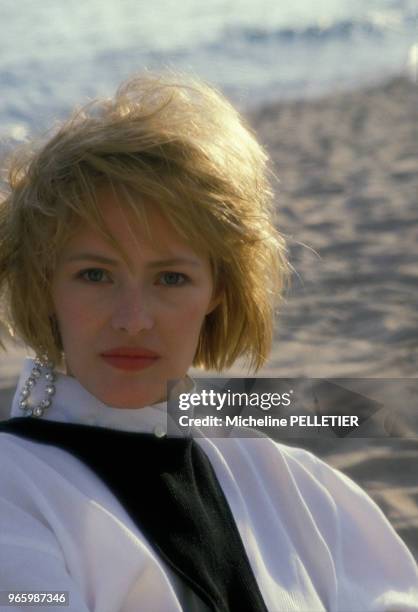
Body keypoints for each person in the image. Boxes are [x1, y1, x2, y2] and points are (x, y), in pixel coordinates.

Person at [0, 71, 417, 612]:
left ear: (218, 291)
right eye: (95, 275)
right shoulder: (15, 485)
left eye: (170, 278)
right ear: (45, 282)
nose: (132, 320)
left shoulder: (298, 488)